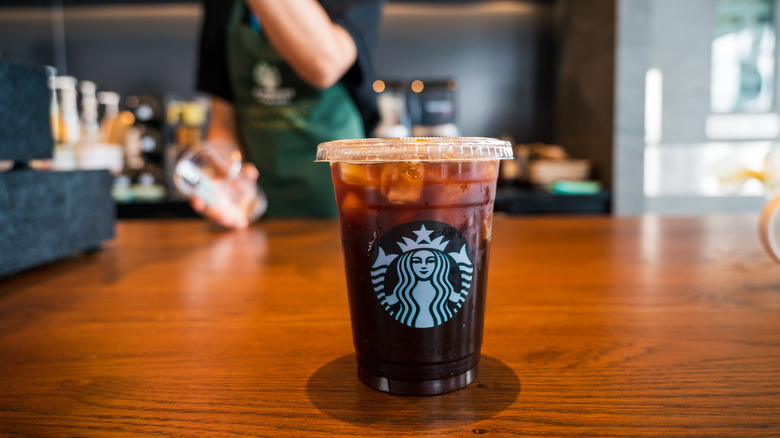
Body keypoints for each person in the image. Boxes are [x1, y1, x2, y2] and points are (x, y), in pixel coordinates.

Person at [194, 0, 383, 227]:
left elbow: (324, 64)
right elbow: (223, 120)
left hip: (342, 205)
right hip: (260, 208)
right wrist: (226, 178)